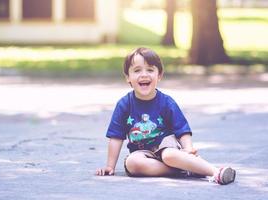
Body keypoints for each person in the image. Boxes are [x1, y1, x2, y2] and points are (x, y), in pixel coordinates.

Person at [95, 47, 236, 185]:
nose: (144, 74)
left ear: (159, 75)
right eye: (137, 70)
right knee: (132, 163)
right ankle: (186, 169)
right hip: (141, 152)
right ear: (128, 77)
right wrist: (110, 166)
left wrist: (188, 149)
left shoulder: (166, 102)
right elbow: (116, 137)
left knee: (169, 155)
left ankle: (215, 172)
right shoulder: (124, 104)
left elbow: (182, 129)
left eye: (150, 70)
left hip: (167, 146)